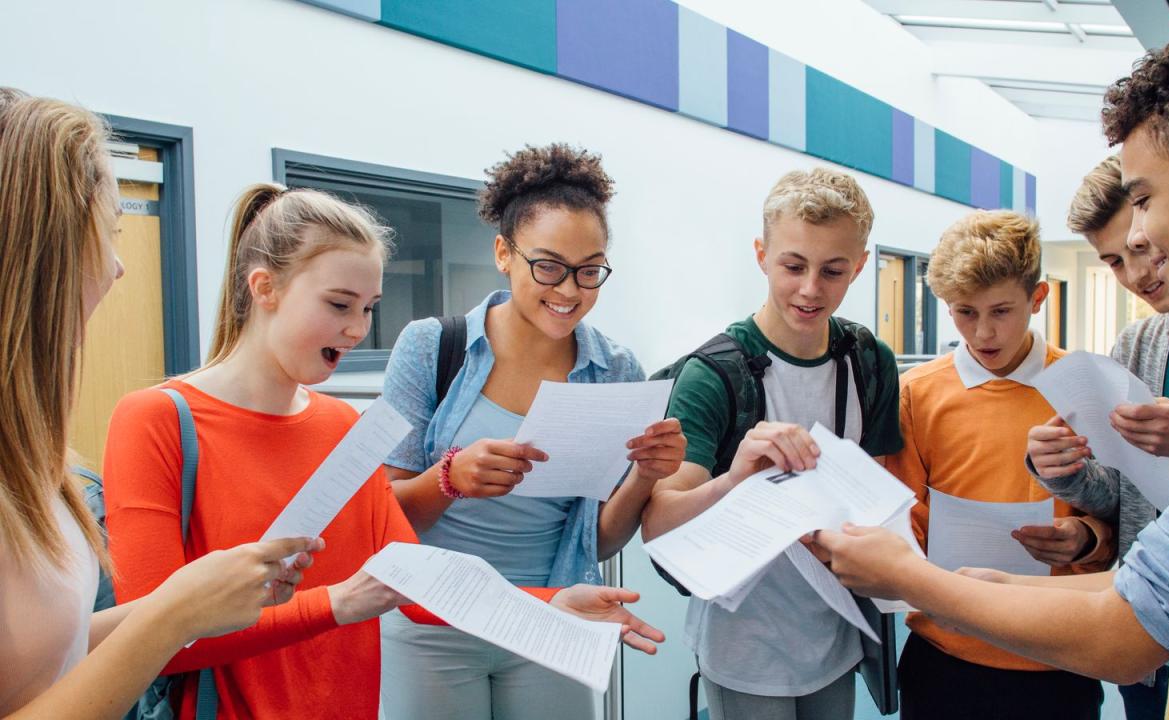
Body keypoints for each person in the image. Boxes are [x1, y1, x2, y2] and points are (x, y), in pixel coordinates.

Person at [812, 27, 1169, 720]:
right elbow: (1137, 585)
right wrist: (990, 582)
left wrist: (916, 578)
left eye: (1144, 198)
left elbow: (1129, 632)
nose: (1139, 239)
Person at [104, 179, 663, 719]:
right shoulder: (157, 420)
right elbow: (149, 639)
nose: (357, 331)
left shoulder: (341, 425)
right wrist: (338, 604)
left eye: (369, 308)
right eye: (340, 304)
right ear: (264, 288)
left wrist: (550, 604)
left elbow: (416, 583)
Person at [0, 87, 321, 719]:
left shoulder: (36, 462)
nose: (119, 267)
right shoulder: (158, 414)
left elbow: (47, 656)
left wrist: (191, 602)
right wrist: (177, 612)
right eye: (110, 231)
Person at [373, 143, 683, 720]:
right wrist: (450, 478)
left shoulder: (616, 371)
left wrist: (645, 475)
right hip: (433, 620)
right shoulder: (429, 347)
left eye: (589, 271)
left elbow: (603, 540)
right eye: (548, 266)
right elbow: (383, 519)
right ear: (503, 253)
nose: (569, 291)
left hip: (554, 615)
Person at [641, 168, 902, 720]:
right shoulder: (713, 374)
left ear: (858, 266)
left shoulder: (869, 361)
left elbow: (881, 492)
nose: (811, 289)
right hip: (744, 646)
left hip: (837, 635)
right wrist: (735, 478)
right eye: (793, 266)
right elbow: (659, 525)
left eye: (833, 270)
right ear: (761, 255)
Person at [882, 209, 1112, 719]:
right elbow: (902, 524)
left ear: (1038, 298)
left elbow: (1124, 515)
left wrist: (1088, 538)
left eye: (1001, 311)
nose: (983, 333)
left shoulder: (1087, 386)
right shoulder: (916, 395)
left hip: (1059, 656)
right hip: (947, 656)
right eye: (964, 312)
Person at [1026, 155, 1169, 719]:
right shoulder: (1135, 345)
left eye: (1139, 250)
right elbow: (1120, 497)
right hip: (1148, 620)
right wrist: (1061, 470)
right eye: (1113, 262)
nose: (1136, 276)